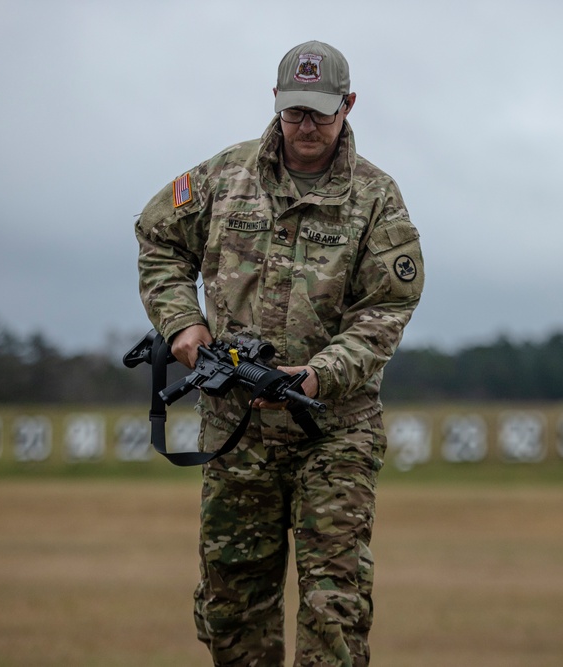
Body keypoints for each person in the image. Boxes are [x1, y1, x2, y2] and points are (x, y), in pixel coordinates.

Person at [134, 40, 424, 666]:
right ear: (276, 102)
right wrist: (182, 323)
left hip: (332, 432)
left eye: (320, 111)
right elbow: (157, 237)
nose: (306, 125)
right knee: (232, 608)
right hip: (237, 432)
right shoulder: (223, 176)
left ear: (348, 105)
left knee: (332, 614)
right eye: (295, 110)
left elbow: (386, 309)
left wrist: (323, 374)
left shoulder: (376, 198)